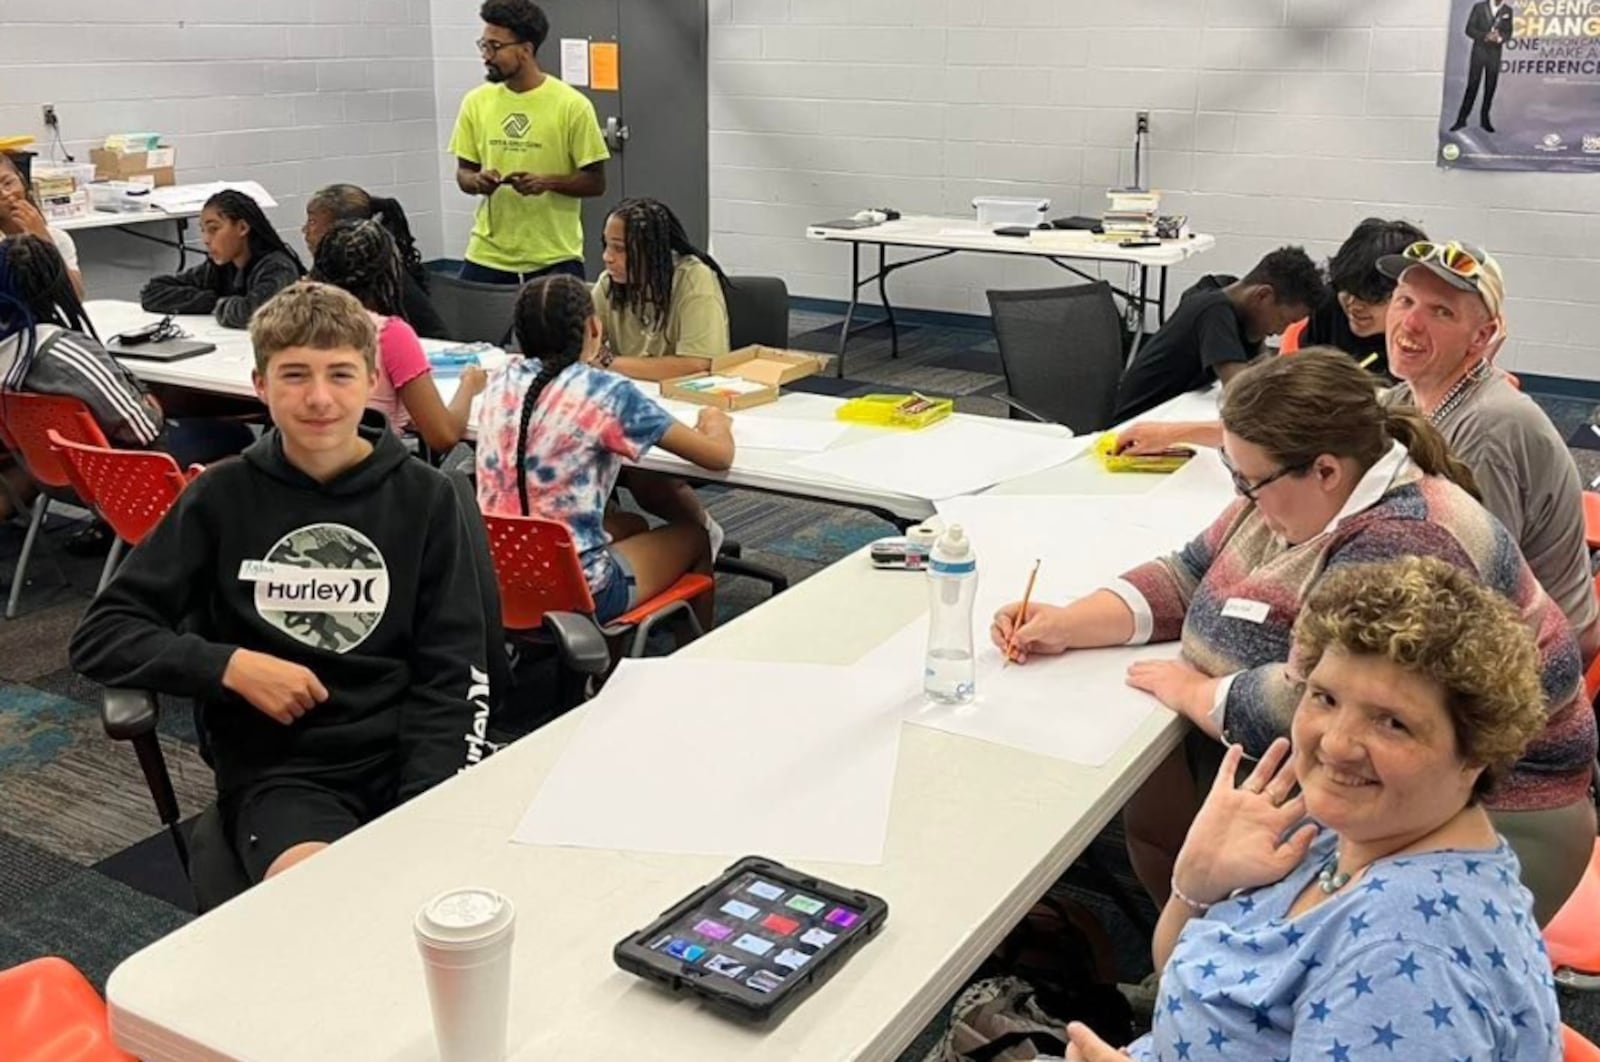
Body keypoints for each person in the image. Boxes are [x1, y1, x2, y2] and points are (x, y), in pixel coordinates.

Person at [996, 350, 1597, 924]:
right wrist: (1070, 622)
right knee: (1168, 809)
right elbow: (1188, 573)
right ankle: (1207, 978)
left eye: (1248, 480)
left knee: (1272, 907)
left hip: (1494, 803)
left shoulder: (1405, 540)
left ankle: (1222, 990)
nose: (1241, 494)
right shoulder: (1289, 494)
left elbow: (1314, 708)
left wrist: (1189, 692)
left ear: (1326, 470)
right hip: (1394, 768)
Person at [69, 281, 488, 885]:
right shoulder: (221, 496)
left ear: (372, 379)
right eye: (294, 376)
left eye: (340, 375)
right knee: (321, 903)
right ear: (260, 385)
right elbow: (102, 635)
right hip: (286, 772)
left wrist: (429, 806)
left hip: (411, 750)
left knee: (455, 901)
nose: (319, 398)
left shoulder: (427, 498)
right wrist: (230, 666)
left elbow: (454, 669)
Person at [1060, 557, 1560, 1061]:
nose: (1337, 744)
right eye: (1324, 697)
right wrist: (1195, 882)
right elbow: (1191, 994)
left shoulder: (1406, 957)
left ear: (1476, 752)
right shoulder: (1346, 831)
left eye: (1392, 723)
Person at [1117, 239, 1600, 660]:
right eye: (1405, 300)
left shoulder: (1489, 427)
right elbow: (1305, 430)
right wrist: (1174, 432)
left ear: (1482, 336)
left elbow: (1465, 591)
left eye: (1441, 311)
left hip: (1525, 653)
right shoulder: (1413, 395)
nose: (1409, 323)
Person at [476, 274, 733, 628]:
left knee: (632, 525)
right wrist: (715, 419)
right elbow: (717, 456)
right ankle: (681, 658)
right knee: (694, 536)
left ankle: (598, 661)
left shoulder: (501, 377)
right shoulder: (606, 393)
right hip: (581, 593)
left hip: (497, 576)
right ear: (594, 328)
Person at [448, 0, 610, 284]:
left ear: (526, 50)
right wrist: (477, 182)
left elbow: (596, 183)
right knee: (471, 328)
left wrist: (546, 183)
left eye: (495, 47)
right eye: (483, 45)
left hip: (554, 257)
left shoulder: (572, 106)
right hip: (487, 254)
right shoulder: (475, 103)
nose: (486, 56)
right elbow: (463, 173)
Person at [309, 219, 485, 452]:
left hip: (302, 468)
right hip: (366, 472)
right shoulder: (388, 334)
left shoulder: (295, 323)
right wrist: (469, 385)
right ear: (391, 272)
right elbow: (443, 436)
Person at [1112, 245, 1324, 422]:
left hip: (1171, 414)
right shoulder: (1214, 310)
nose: (1280, 331)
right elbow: (1242, 392)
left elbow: (1264, 369)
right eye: (1285, 320)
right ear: (1263, 296)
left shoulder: (1236, 300)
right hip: (1133, 426)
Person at [592, 198, 731, 382]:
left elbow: (698, 365)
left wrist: (608, 361)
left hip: (686, 398)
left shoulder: (693, 280)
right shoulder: (608, 283)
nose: (607, 257)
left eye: (620, 248)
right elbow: (579, 343)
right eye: (606, 245)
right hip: (633, 392)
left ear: (651, 251)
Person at [140, 189, 304, 329]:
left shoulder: (278, 267)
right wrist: (212, 301)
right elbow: (152, 292)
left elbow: (257, 313)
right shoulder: (220, 267)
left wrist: (216, 304)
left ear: (242, 228)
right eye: (203, 230)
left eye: (213, 229)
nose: (206, 239)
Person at [302, 183, 448, 339]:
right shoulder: (329, 271)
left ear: (343, 230)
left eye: (312, 222)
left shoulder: (377, 283)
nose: (304, 230)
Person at [1291, 216, 1426, 378]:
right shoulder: (1328, 305)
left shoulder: (1424, 336)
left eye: (1372, 297)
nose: (1354, 306)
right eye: (1347, 290)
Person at [0, 151, 84, 298]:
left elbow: (76, 296)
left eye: (8, 183)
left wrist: (43, 240)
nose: (6, 194)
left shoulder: (57, 238)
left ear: (22, 180)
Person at [1451, 0, 1514, 134]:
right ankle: (1461, 120)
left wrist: (1499, 38)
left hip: (1495, 54)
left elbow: (1508, 32)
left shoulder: (1508, 10)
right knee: (1472, 86)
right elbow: (1469, 29)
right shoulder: (1479, 7)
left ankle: (1484, 120)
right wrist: (1485, 36)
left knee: (1490, 87)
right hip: (1479, 52)